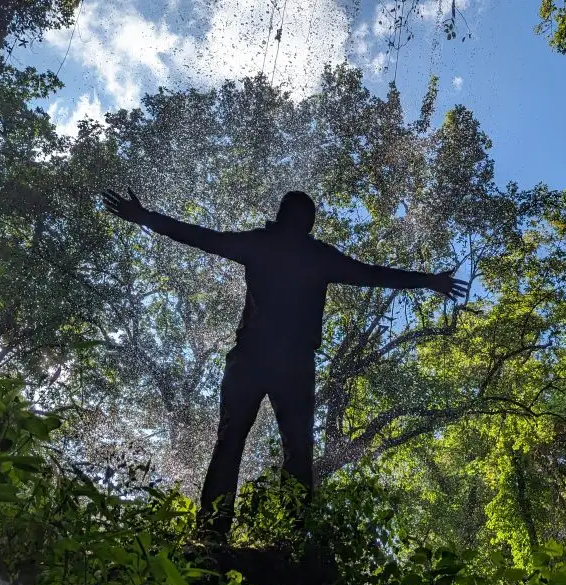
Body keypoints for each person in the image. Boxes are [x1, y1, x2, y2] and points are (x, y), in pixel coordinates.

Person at [103, 188, 466, 541]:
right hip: (288, 363)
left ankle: (216, 530)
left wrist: (144, 217)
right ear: (307, 224)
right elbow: (372, 274)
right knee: (292, 449)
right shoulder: (312, 254)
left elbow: (202, 237)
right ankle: (283, 535)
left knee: (237, 442)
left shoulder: (266, 244)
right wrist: (429, 281)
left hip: (256, 359)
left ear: (281, 217)